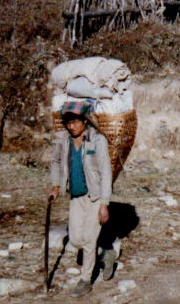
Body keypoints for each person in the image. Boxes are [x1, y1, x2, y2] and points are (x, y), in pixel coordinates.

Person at [48, 101, 114, 297]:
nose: (71, 126)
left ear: (84, 121)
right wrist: (55, 186)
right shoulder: (63, 140)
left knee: (88, 240)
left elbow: (105, 172)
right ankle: (107, 255)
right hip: (76, 195)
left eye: (75, 122)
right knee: (76, 239)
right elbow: (56, 161)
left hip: (94, 196)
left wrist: (104, 204)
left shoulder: (97, 140)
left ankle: (85, 280)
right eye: (68, 122)